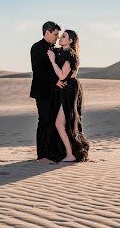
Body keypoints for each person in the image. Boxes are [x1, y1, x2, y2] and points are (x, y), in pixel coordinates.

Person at [47, 29, 90, 162]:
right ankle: (68, 153)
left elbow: (62, 75)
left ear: (70, 41)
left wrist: (53, 61)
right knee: (64, 124)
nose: (60, 38)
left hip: (69, 90)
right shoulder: (64, 53)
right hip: (66, 89)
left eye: (64, 36)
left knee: (60, 124)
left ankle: (71, 154)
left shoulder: (69, 54)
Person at [30, 21, 68, 165]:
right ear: (47, 32)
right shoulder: (36, 48)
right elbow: (38, 71)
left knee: (54, 122)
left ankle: (52, 153)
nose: (58, 37)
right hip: (42, 91)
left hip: (55, 92)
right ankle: (42, 156)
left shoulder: (55, 48)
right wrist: (55, 81)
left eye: (59, 34)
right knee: (44, 122)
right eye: (56, 34)